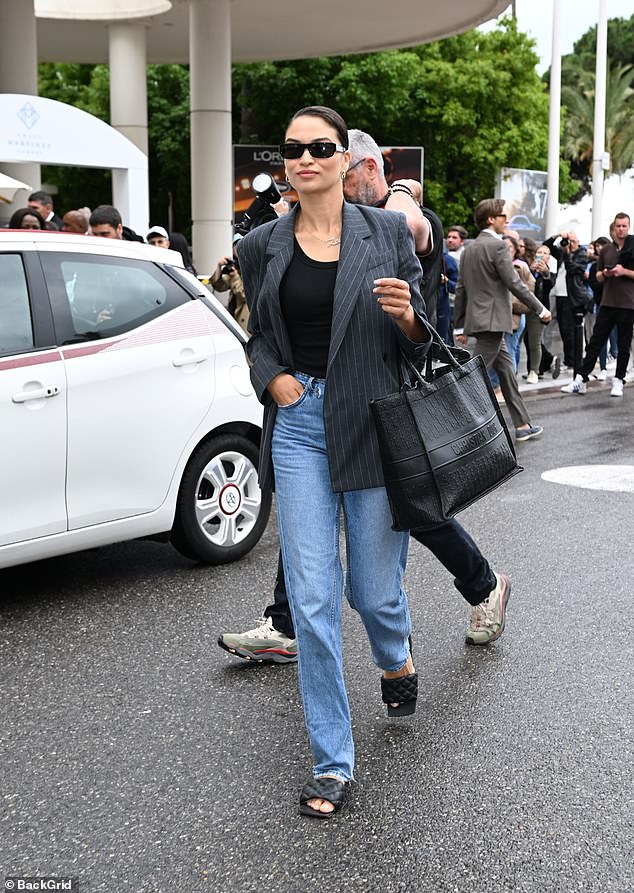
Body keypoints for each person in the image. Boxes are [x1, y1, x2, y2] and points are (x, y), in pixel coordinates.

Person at [220, 134, 512, 676]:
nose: (318, 174)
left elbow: (414, 224)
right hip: (323, 402)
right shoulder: (311, 227)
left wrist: (402, 188)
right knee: (314, 512)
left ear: (363, 169)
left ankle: (484, 583)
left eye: (341, 168)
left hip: (397, 390)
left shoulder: (396, 219)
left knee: (416, 506)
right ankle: (286, 621)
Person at [238, 105, 432, 818]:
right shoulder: (263, 244)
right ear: (285, 162)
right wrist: (273, 378)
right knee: (313, 601)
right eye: (293, 148)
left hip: (373, 420)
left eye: (321, 147)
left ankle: (396, 655)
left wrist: (408, 316)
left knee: (373, 593)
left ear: (346, 161)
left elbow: (421, 341)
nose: (306, 158)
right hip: (299, 426)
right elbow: (258, 334)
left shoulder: (384, 232)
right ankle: (332, 761)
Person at [453, 198, 551, 442]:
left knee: (506, 372)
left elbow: (461, 288)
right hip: (495, 320)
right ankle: (455, 427)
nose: (506, 220)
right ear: (491, 219)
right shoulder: (497, 247)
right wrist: (540, 309)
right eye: (503, 217)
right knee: (471, 376)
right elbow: (514, 283)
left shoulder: (469, 249)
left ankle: (522, 425)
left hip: (481, 320)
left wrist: (460, 323)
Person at [561, 212, 634, 398]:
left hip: (628, 303)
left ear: (629, 226)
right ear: (614, 227)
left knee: (623, 344)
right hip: (607, 302)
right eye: (618, 226)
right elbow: (598, 276)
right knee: (595, 342)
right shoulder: (607, 250)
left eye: (624, 226)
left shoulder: (633, 247)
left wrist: (623, 271)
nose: (621, 229)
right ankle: (581, 379)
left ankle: (618, 380)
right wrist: (608, 274)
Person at [543, 231, 589, 374]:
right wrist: (558, 236)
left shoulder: (581, 253)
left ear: (578, 242)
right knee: (563, 329)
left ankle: (573, 361)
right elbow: (546, 246)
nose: (570, 244)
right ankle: (569, 360)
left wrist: (568, 252)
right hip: (559, 295)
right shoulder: (562, 252)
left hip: (573, 296)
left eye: (573, 241)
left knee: (571, 331)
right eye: (569, 241)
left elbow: (573, 269)